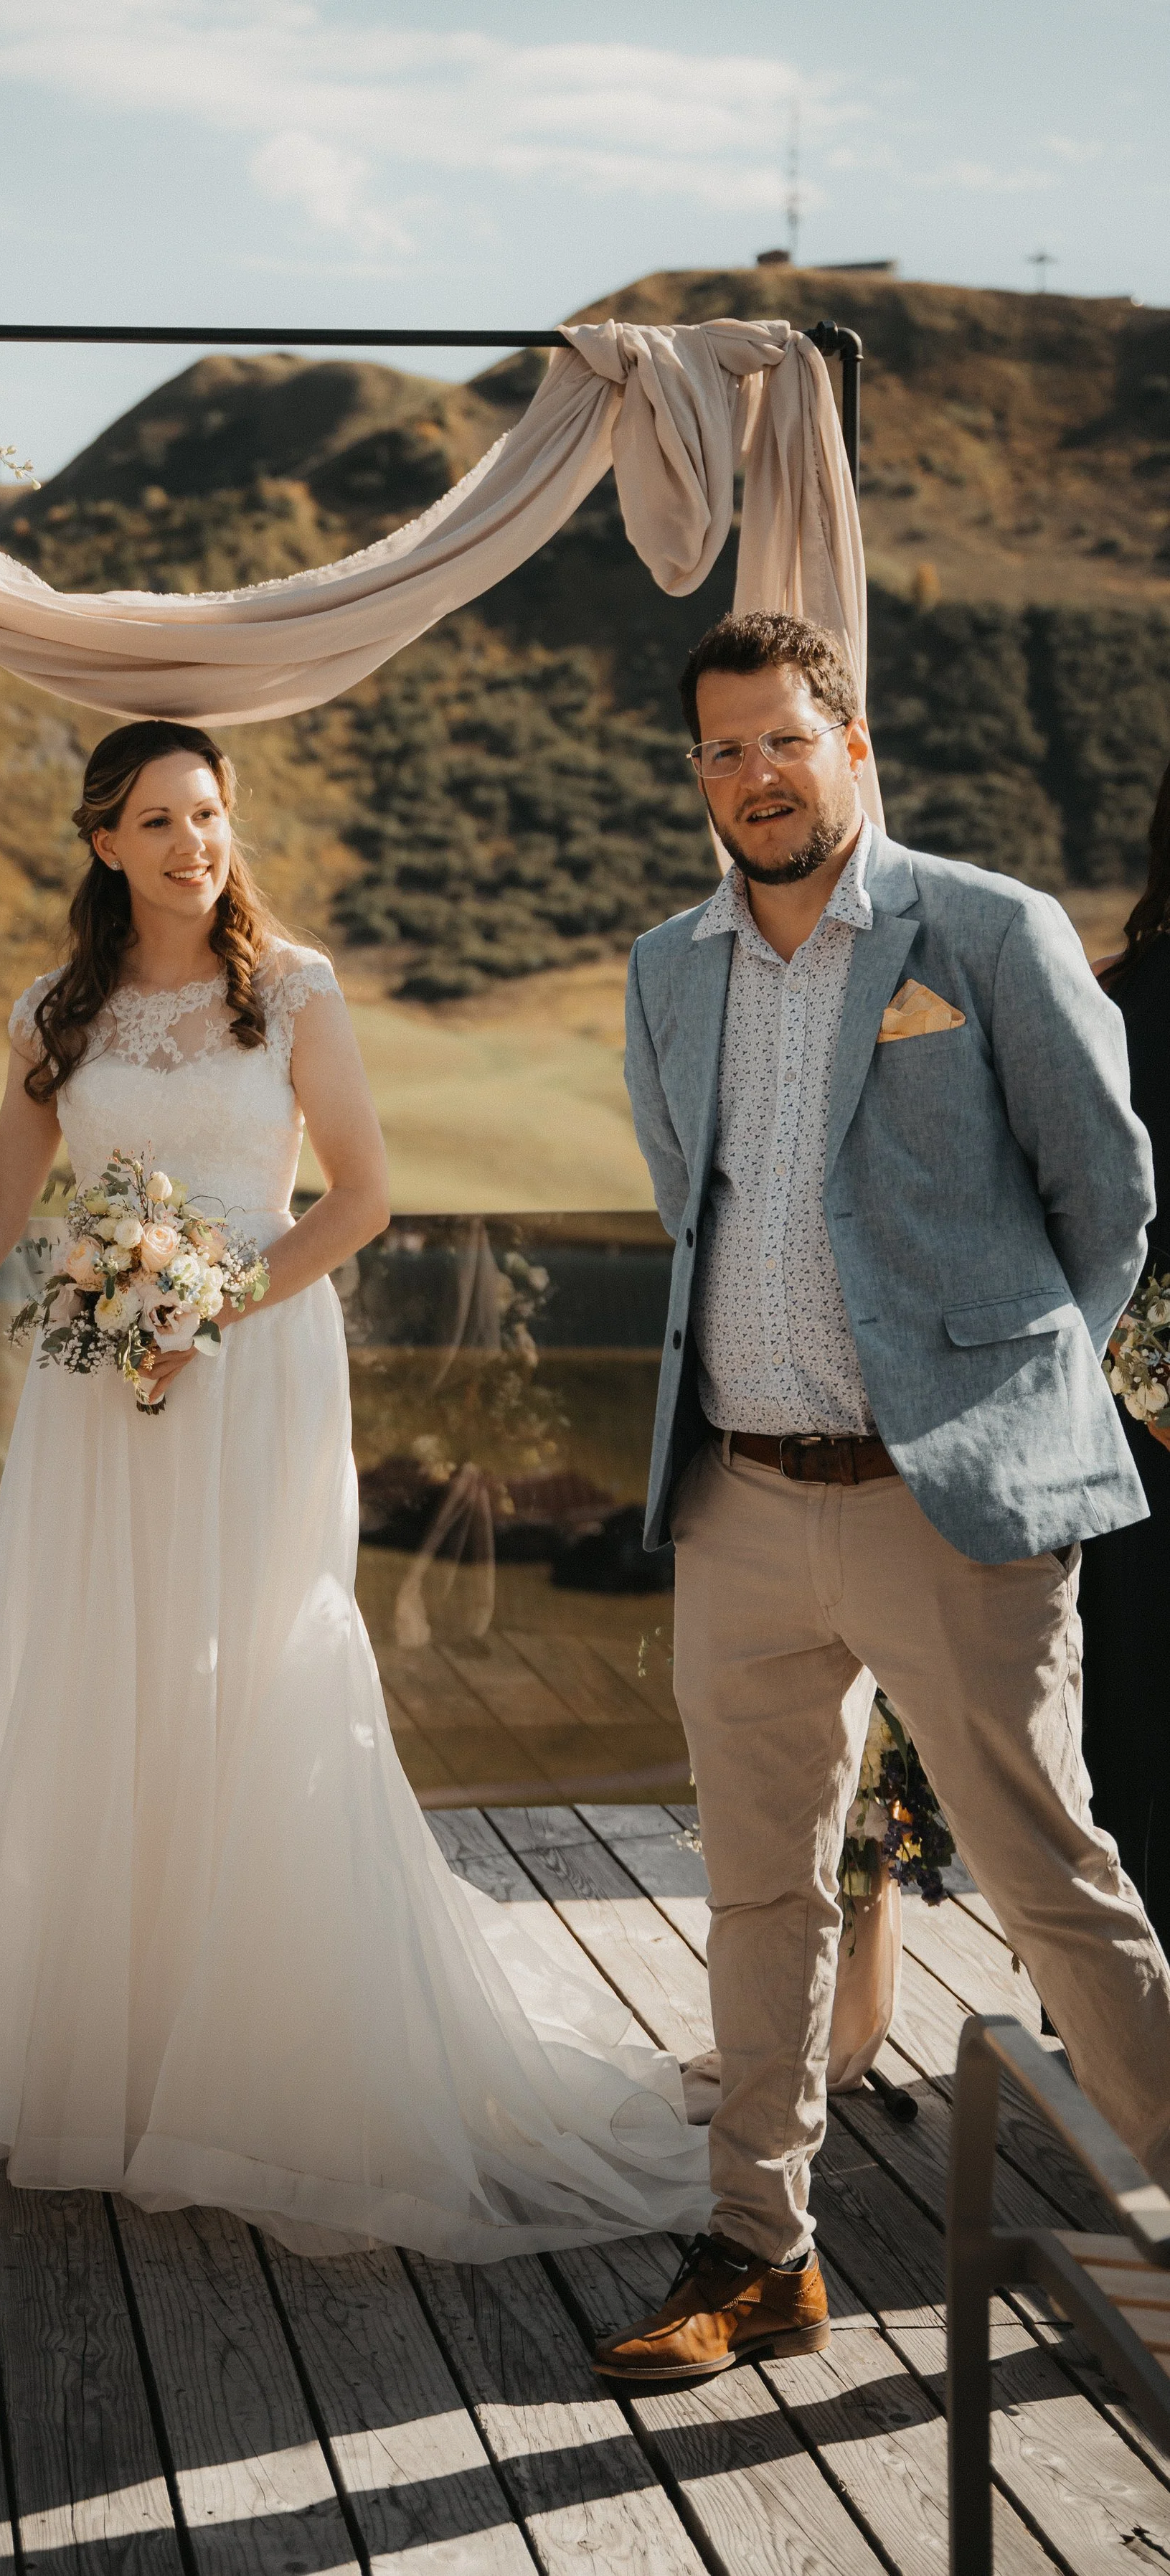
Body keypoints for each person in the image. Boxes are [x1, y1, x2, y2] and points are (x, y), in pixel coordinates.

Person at [0, 718, 712, 2257]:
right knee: (115, 1681)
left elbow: (361, 1197)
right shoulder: (54, 1012)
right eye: (159, 820)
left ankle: (262, 2063)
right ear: (104, 842)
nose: (192, 845)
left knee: (256, 1671)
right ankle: (121, 2058)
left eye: (210, 814)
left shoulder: (291, 989)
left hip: (256, 1365)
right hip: (99, 1391)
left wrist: (207, 1306)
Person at [605, 609, 1170, 2384]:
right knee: (758, 1891)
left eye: (783, 738)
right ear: (696, 775)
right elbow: (685, 1202)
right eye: (721, 750)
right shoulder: (665, 968)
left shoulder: (986, 930)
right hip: (738, 1501)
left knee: (1048, 1872)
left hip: (950, 1508)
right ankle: (757, 2250)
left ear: (849, 745)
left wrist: (1001, 1402)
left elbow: (1107, 1199)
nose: (753, 776)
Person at [1080, 754, 1170, 1947]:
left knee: (1131, 1719)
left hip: (1126, 1433)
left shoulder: (1112, 1003)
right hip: (1136, 1433)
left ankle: (1113, 2015)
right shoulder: (1113, 1003)